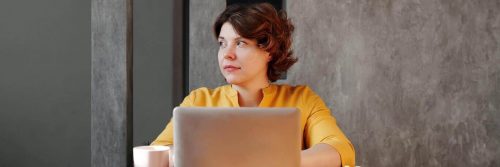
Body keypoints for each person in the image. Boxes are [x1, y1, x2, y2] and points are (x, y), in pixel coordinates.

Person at [151, 3, 355, 167]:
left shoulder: (302, 99)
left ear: (269, 51)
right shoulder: (199, 100)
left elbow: (339, 149)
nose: (227, 54)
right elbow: (157, 151)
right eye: (223, 43)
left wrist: (278, 163)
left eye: (240, 43)